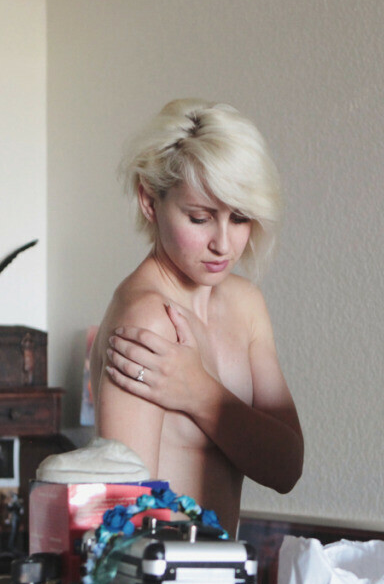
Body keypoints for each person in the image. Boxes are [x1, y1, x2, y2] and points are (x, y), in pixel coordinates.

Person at [94, 99, 303, 533]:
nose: (223, 244)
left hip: (227, 572)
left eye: (240, 218)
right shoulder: (147, 320)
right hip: (162, 574)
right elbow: (127, 520)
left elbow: (286, 468)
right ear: (149, 201)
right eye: (200, 218)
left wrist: (200, 393)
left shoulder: (246, 305)